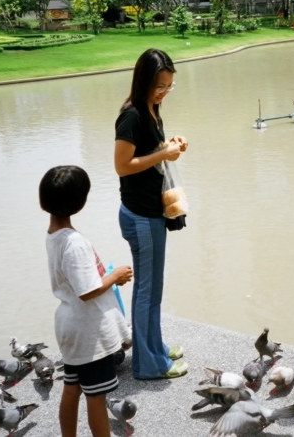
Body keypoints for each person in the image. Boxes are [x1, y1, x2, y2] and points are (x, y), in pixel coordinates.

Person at [40, 165, 133, 437]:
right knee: (96, 396)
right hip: (88, 331)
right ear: (80, 203)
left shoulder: (54, 237)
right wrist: (115, 276)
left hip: (71, 326)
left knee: (72, 388)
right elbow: (87, 290)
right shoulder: (74, 242)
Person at [114, 49, 190, 380]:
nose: (164, 92)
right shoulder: (131, 116)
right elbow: (122, 165)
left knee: (154, 287)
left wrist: (170, 145)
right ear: (145, 80)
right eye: (160, 85)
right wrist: (161, 153)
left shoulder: (153, 110)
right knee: (145, 290)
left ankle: (155, 348)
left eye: (169, 86)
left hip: (152, 211)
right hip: (140, 215)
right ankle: (147, 364)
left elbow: (149, 153)